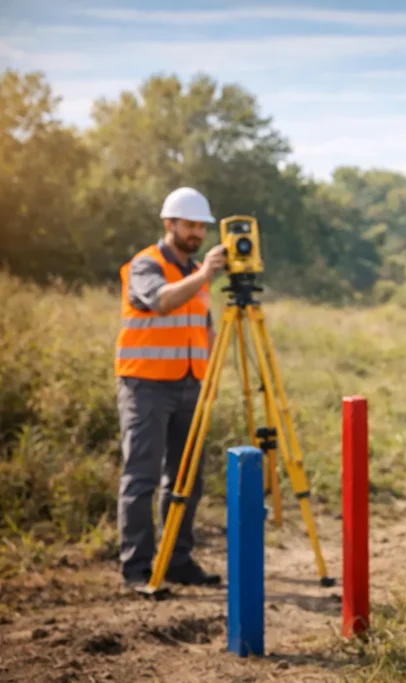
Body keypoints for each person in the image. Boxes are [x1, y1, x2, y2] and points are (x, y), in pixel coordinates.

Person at [114, 187, 227, 588]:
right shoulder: (146, 264)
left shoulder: (194, 271)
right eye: (190, 225)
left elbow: (204, 325)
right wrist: (205, 274)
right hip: (145, 385)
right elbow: (160, 301)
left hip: (189, 383)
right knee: (141, 477)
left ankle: (177, 560)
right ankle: (137, 567)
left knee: (187, 479)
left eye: (201, 226)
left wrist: (210, 374)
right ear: (170, 224)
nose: (197, 233)